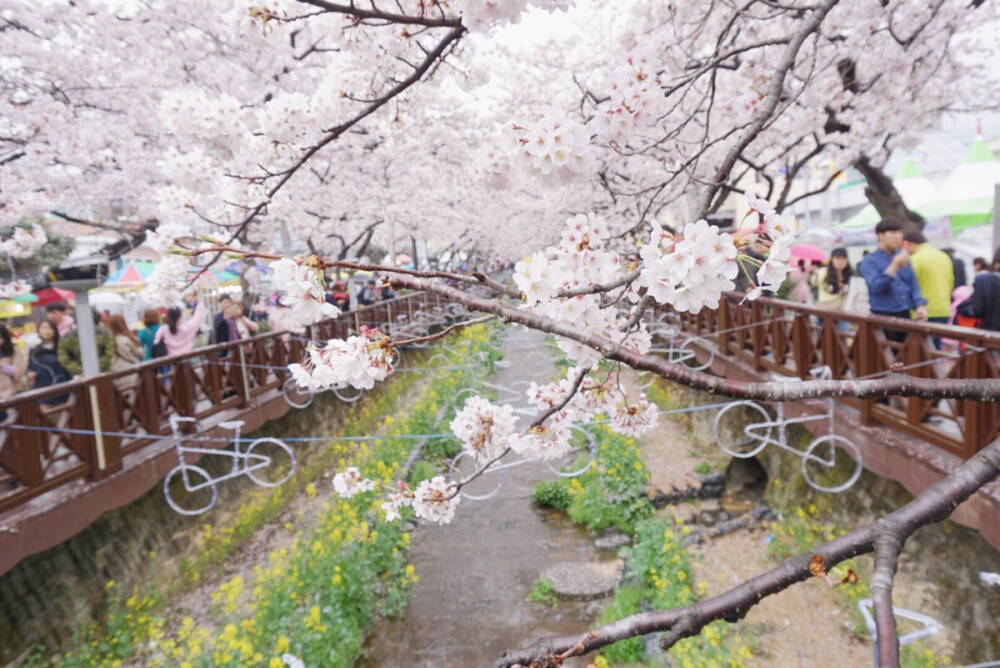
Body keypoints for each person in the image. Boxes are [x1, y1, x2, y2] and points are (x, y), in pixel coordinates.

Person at [857, 218, 927, 344]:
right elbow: (875, 287)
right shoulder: (870, 261)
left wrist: (919, 305)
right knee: (888, 359)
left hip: (905, 315)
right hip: (883, 317)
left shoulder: (902, 257)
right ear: (881, 235)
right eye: (893, 232)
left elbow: (913, 284)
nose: (898, 236)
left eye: (900, 232)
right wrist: (894, 266)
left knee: (907, 358)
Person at [902, 230, 953, 349]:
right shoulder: (944, 256)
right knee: (936, 348)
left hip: (922, 312)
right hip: (943, 309)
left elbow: (909, 287)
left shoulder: (915, 259)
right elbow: (950, 283)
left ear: (909, 244)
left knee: (921, 351)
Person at [27, 318, 71, 404]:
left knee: (62, 414)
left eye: (50, 328)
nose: (46, 331)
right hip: (41, 386)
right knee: (44, 414)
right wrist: (30, 374)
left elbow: (68, 366)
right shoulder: (34, 349)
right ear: (38, 330)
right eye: (43, 328)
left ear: (54, 330)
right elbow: (30, 367)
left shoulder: (62, 346)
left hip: (60, 385)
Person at [59, 311, 115, 376]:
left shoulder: (67, 336)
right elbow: (109, 353)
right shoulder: (106, 332)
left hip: (80, 376)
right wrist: (95, 369)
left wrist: (80, 371)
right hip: (103, 372)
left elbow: (64, 358)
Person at [0, 324, 27, 422]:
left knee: (13, 424)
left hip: (10, 394)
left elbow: (19, 372)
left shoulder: (13, 350)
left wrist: (3, 366)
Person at [107, 314, 142, 391]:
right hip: (131, 371)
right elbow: (138, 353)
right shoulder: (128, 338)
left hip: (116, 372)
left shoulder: (110, 340)